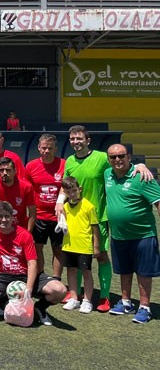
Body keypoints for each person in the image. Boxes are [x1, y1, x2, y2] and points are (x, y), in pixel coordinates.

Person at [55, 125, 154, 313]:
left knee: (100, 255)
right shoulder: (69, 160)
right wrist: (60, 201)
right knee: (74, 256)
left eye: (79, 138)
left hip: (97, 216)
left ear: (88, 140)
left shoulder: (102, 158)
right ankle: (77, 294)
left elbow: (122, 166)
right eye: (72, 139)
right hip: (74, 216)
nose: (76, 142)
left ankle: (105, 296)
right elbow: (65, 184)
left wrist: (139, 164)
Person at [0, 201, 66, 325]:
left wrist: (28, 290)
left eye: (7, 216)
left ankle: (39, 308)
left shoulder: (24, 235)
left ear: (13, 217)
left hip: (26, 275)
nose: (3, 220)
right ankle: (3, 302)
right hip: (3, 275)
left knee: (60, 290)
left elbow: (32, 264)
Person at [103, 144, 160, 324]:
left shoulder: (142, 177)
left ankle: (144, 307)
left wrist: (140, 166)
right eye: (113, 157)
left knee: (143, 272)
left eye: (121, 156)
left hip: (143, 235)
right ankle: (126, 302)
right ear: (108, 160)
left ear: (129, 157)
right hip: (119, 235)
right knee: (124, 270)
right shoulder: (107, 175)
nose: (117, 159)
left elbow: (159, 203)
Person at [25, 134, 65, 278]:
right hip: (38, 216)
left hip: (58, 217)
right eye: (43, 148)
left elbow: (67, 187)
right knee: (37, 248)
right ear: (38, 148)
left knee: (58, 250)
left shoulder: (63, 165)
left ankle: (56, 278)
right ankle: (40, 276)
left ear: (55, 149)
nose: (46, 151)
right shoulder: (31, 166)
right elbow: (27, 190)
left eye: (50, 148)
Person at [59, 177, 99, 314]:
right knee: (71, 271)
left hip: (84, 246)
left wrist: (96, 246)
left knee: (86, 273)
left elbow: (95, 227)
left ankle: (87, 301)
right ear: (65, 192)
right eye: (69, 191)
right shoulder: (64, 207)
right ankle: (74, 298)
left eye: (74, 190)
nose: (72, 193)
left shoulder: (88, 206)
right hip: (68, 245)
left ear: (79, 189)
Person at [0, 157, 36, 231]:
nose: (4, 173)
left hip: (19, 227)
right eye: (1, 170)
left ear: (15, 171)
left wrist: (28, 232)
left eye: (8, 170)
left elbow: (32, 212)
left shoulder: (26, 186)